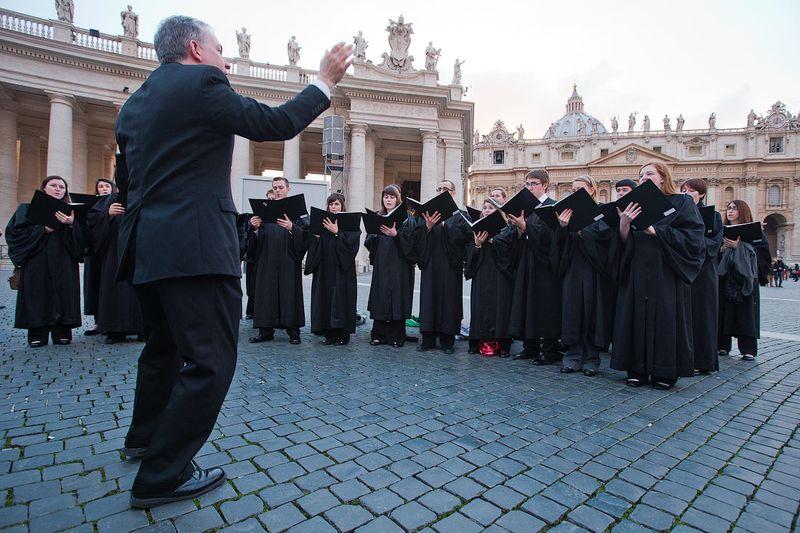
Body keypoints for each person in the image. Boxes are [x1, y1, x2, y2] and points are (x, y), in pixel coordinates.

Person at [115, 14, 352, 508]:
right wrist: (324, 81)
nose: (226, 59)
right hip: (196, 246)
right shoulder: (203, 82)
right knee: (210, 360)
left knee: (162, 347)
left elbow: (127, 185)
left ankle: (143, 437)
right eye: (221, 49)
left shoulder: (134, 105)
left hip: (147, 246)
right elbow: (275, 123)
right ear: (197, 50)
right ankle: (162, 474)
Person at [610, 161, 706, 390]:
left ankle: (665, 370)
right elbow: (624, 242)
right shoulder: (634, 205)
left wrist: (656, 231)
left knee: (665, 319)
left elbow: (694, 237)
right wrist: (624, 224)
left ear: (663, 177)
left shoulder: (682, 202)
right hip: (638, 269)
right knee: (635, 317)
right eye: (641, 175)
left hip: (666, 271)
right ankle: (636, 369)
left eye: (649, 174)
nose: (644, 178)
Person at [6, 176, 84, 347]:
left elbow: (85, 239)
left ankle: (62, 331)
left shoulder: (71, 212)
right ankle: (37, 332)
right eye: (53, 185)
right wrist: (41, 230)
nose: (58, 189)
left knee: (63, 293)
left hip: (63, 260)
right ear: (44, 188)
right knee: (37, 293)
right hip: (37, 260)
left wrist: (72, 224)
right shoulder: (26, 209)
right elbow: (14, 233)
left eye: (62, 187)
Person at [555, 176, 616, 376]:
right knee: (572, 312)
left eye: (580, 189)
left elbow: (606, 238)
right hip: (572, 269)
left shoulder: (602, 212)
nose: (575, 192)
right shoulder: (567, 214)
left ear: (592, 190)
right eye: (572, 189)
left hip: (594, 270)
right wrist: (563, 228)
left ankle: (591, 358)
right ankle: (571, 357)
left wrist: (582, 232)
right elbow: (559, 245)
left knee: (592, 314)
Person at [507, 169, 562, 365]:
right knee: (526, 304)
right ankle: (529, 347)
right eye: (527, 184)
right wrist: (519, 229)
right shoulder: (526, 209)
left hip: (545, 265)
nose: (529, 187)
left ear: (545, 185)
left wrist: (524, 227)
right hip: (527, 262)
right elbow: (520, 237)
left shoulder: (553, 207)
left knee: (545, 306)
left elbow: (551, 236)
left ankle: (549, 351)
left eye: (533, 184)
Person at [249, 177, 309, 345]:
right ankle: (265, 331)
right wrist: (254, 228)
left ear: (288, 189)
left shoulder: (297, 210)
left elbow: (307, 234)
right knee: (266, 294)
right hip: (267, 259)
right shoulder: (264, 210)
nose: (277, 190)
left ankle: (293, 332)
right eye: (275, 187)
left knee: (289, 293)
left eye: (281, 187)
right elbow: (256, 238)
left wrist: (292, 228)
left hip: (288, 260)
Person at [414, 179, 471, 354]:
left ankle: (447, 340)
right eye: (439, 188)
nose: (441, 191)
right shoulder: (427, 214)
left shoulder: (461, 215)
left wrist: (446, 226)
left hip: (449, 265)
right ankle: (428, 339)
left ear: (453, 193)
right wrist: (428, 228)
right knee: (429, 299)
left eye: (445, 188)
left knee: (449, 301)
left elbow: (465, 238)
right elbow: (417, 237)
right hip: (430, 264)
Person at [86, 188, 143, 344]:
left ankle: (142, 328)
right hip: (114, 255)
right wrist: (107, 215)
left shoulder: (145, 192)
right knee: (115, 290)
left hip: (141, 251)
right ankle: (115, 329)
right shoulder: (110, 199)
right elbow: (91, 222)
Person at [717, 200, 771, 361]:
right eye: (728, 208)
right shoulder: (721, 231)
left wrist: (739, 247)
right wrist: (722, 249)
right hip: (725, 277)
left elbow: (764, 257)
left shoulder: (755, 233)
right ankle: (721, 345)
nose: (730, 211)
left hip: (745, 279)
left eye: (734, 208)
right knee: (723, 312)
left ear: (743, 211)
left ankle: (748, 348)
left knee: (746, 315)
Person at [365, 185, 417, 347]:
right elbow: (369, 242)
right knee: (380, 297)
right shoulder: (378, 215)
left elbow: (413, 243)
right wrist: (373, 233)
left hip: (399, 265)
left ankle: (397, 336)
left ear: (398, 198)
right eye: (386, 197)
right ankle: (378, 335)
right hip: (382, 264)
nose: (388, 200)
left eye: (392, 197)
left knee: (397, 298)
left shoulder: (407, 217)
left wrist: (396, 235)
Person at [680, 178, 723, 374]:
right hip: (683, 270)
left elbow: (714, 243)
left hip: (704, 273)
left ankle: (703, 361)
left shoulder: (713, 216)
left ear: (701, 194)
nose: (686, 194)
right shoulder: (680, 213)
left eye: (691, 191)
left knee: (703, 316)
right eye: (684, 190)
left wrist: (692, 242)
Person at [305, 193, 360, 345]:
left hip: (342, 270)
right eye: (331, 204)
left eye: (337, 204)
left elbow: (352, 247)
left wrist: (337, 233)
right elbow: (314, 247)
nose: (334, 207)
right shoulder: (322, 222)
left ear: (342, 205)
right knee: (326, 298)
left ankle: (343, 335)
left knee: (341, 299)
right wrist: (316, 238)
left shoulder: (350, 223)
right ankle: (329, 334)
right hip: (325, 269)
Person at [465, 199, 516, 356]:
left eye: (491, 208)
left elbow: (510, 252)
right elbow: (469, 256)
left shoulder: (508, 229)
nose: (487, 210)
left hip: (500, 274)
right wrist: (478, 245)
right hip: (481, 274)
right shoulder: (476, 230)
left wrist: (493, 240)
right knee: (480, 306)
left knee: (500, 308)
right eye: (485, 207)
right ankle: (477, 342)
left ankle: (502, 344)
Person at [84, 178, 116, 336]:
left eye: (107, 186)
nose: (104, 189)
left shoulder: (117, 201)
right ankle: (99, 322)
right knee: (96, 286)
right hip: (96, 252)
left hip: (112, 252)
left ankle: (111, 322)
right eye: (100, 187)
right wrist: (107, 215)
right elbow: (88, 225)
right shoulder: (93, 205)